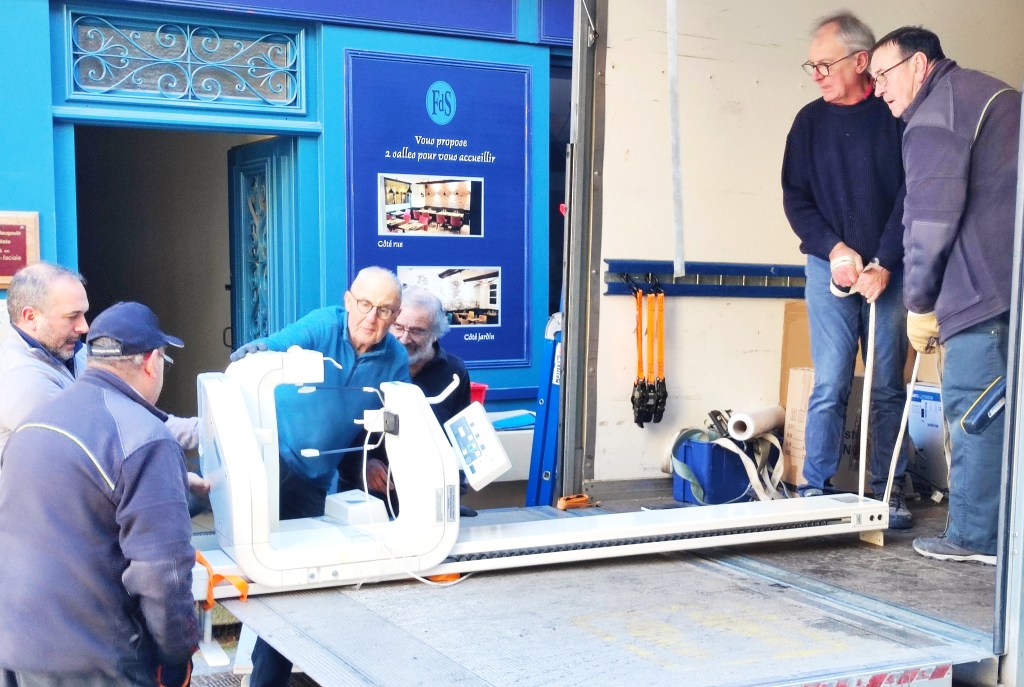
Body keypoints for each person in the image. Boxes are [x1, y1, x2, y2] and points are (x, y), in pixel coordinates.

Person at [870, 27, 1020, 564]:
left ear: (917, 65)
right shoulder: (994, 94)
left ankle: (976, 538)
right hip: (1010, 283)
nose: (879, 89)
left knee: (975, 414)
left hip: (981, 293)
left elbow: (929, 219)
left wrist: (919, 301)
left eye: (883, 75)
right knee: (1007, 417)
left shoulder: (934, 117)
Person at [0, 301, 198, 687]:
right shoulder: (145, 439)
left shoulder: (34, 422)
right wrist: (176, 657)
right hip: (97, 662)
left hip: (18, 644)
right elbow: (163, 574)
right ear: (151, 362)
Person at [230, 265, 410, 687]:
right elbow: (269, 349)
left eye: (385, 310)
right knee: (246, 568)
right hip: (270, 462)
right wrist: (251, 356)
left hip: (315, 477)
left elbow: (392, 422)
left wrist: (371, 462)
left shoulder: (395, 358)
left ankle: (268, 681)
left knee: (291, 588)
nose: (372, 317)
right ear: (348, 301)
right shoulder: (322, 325)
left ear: (396, 315)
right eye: (365, 305)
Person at [781, 12, 912, 528]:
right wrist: (834, 250)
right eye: (811, 65)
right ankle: (815, 490)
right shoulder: (808, 123)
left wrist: (882, 262)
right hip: (827, 269)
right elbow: (797, 200)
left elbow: (911, 197)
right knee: (831, 383)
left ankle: (888, 493)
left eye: (825, 63)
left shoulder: (897, 118)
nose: (816, 73)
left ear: (863, 61)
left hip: (890, 272)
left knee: (886, 386)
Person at [0, 263, 210, 504]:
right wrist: (176, 477)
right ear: (30, 317)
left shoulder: (74, 355)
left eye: (84, 314)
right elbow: (92, 452)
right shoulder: (20, 378)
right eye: (72, 316)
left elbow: (130, 419)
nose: (84, 327)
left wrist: (210, 430)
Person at [387, 285, 476, 516]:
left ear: (435, 333)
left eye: (416, 331)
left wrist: (455, 495)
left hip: (432, 497)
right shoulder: (375, 364)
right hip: (375, 495)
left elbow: (460, 437)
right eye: (398, 327)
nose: (404, 338)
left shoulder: (455, 371)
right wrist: (362, 467)